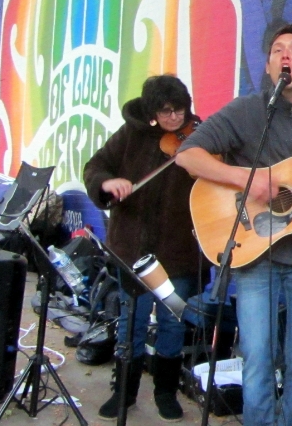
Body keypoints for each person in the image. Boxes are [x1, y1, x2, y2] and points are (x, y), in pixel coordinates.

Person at [176, 24, 292, 426]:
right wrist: (246, 179)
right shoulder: (245, 112)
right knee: (256, 359)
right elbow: (187, 155)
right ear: (271, 66)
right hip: (254, 253)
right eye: (277, 50)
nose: (285, 55)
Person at [83, 75, 207, 422]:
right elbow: (95, 166)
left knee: (172, 323)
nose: (173, 118)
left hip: (178, 250)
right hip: (133, 249)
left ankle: (166, 392)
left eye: (178, 110)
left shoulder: (200, 136)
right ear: (152, 112)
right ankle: (124, 391)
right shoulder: (131, 134)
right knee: (131, 323)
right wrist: (108, 182)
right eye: (164, 112)